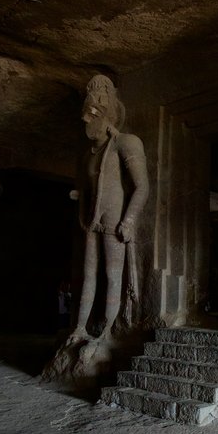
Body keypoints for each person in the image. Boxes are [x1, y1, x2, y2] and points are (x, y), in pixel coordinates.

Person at [70, 75, 149, 343]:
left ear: (108, 113)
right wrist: (82, 213)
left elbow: (142, 187)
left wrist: (128, 221)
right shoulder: (88, 155)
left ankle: (105, 335)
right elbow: (84, 190)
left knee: (112, 276)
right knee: (88, 274)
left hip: (114, 219)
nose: (86, 119)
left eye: (92, 113)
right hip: (92, 220)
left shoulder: (126, 143)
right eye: (86, 113)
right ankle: (80, 329)